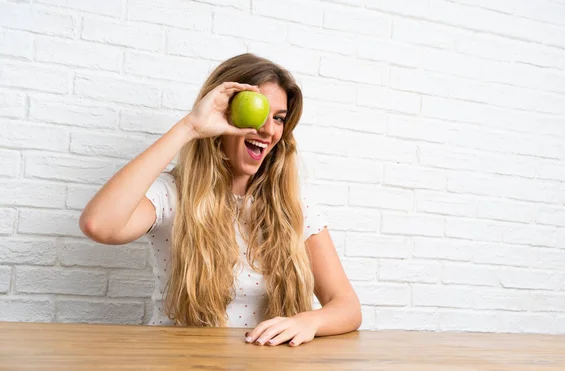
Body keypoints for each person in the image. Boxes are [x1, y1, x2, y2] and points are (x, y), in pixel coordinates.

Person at [79, 53, 362, 347]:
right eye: (259, 113)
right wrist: (190, 127)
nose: (268, 130)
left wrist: (309, 321)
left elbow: (347, 306)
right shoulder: (172, 194)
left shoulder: (293, 207)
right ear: (223, 115)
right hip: (178, 362)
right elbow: (98, 224)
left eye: (279, 118)